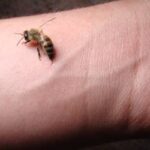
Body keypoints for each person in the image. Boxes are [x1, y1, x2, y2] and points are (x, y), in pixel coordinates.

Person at [0, 0, 149, 149]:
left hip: (45, 44)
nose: (26, 39)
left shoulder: (33, 40)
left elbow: (34, 41)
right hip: (46, 41)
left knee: (42, 47)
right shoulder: (37, 34)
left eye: (26, 38)